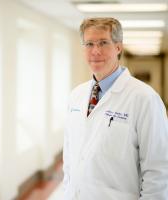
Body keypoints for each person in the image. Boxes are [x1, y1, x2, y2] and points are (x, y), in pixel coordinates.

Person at [63, 17, 168, 200]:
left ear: (118, 47)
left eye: (103, 43)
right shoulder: (76, 96)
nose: (95, 51)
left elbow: (158, 170)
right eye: (89, 44)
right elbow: (69, 161)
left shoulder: (145, 99)